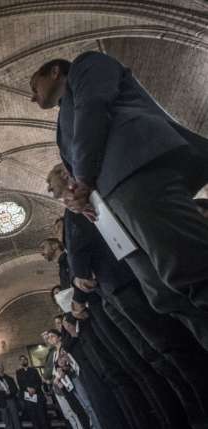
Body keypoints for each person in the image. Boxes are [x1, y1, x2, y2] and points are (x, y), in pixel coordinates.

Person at [30, 52, 208, 382]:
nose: (32, 94)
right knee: (165, 296)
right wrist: (75, 199)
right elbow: (76, 163)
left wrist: (81, 181)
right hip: (114, 210)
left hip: (136, 172)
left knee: (190, 268)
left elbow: (93, 110)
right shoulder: (60, 124)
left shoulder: (86, 65)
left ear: (55, 72)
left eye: (33, 84)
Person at [16, 355, 50, 429]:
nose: (23, 361)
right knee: (34, 420)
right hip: (28, 398)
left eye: (24, 359)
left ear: (27, 361)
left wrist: (34, 389)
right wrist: (28, 389)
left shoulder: (34, 370)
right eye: (21, 360)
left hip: (38, 396)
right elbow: (20, 384)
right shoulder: (18, 372)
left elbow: (39, 381)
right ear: (20, 362)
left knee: (43, 418)